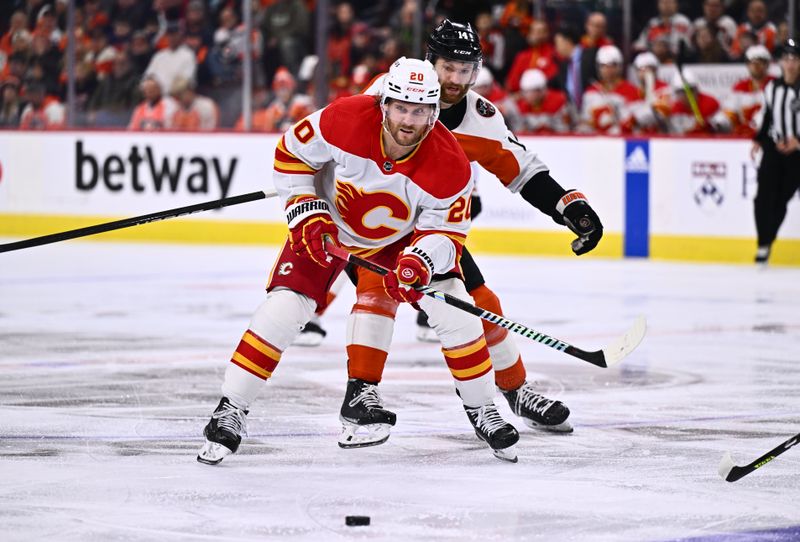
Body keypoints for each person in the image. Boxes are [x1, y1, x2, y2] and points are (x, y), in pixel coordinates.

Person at [197, 57, 521, 465]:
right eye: (401, 107)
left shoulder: (450, 162)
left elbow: (447, 234)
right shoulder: (344, 118)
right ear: (383, 103)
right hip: (327, 224)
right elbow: (291, 156)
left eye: (420, 111)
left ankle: (482, 408)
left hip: (399, 241)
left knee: (456, 306)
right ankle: (231, 409)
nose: (408, 120)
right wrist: (306, 210)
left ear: (434, 112)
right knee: (283, 308)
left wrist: (420, 260)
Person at [355, 20, 603, 440]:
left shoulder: (481, 118)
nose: (455, 79)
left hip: (431, 231)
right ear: (430, 62)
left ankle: (514, 392)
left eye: (465, 70)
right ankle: (361, 396)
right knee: (376, 297)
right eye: (447, 67)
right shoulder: (389, 92)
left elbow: (523, 172)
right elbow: (340, 144)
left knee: (479, 302)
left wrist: (569, 206)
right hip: (368, 221)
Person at [751, 40, 800, 264]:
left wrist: (797, 142)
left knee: (781, 198)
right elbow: (768, 116)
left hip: (796, 153)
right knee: (762, 198)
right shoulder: (772, 88)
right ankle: (763, 243)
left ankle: (767, 239)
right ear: (780, 62)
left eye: (795, 59)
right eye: (786, 59)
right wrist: (759, 140)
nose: (790, 64)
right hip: (773, 147)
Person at [725, 44, 774, 137]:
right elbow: (730, 112)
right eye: (752, 63)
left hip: (768, 136)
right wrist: (722, 122)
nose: (756, 66)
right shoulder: (740, 87)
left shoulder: (775, 85)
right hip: (742, 136)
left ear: (767, 64)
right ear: (747, 65)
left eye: (760, 62)